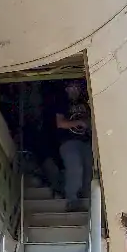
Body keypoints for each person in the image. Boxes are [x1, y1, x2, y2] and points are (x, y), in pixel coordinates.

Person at [52, 78, 92, 210]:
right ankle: (72, 199)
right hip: (68, 141)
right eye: (71, 87)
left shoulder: (85, 103)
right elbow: (60, 123)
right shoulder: (62, 103)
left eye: (76, 87)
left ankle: (86, 198)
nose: (73, 90)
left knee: (88, 169)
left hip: (85, 141)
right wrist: (78, 123)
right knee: (75, 168)